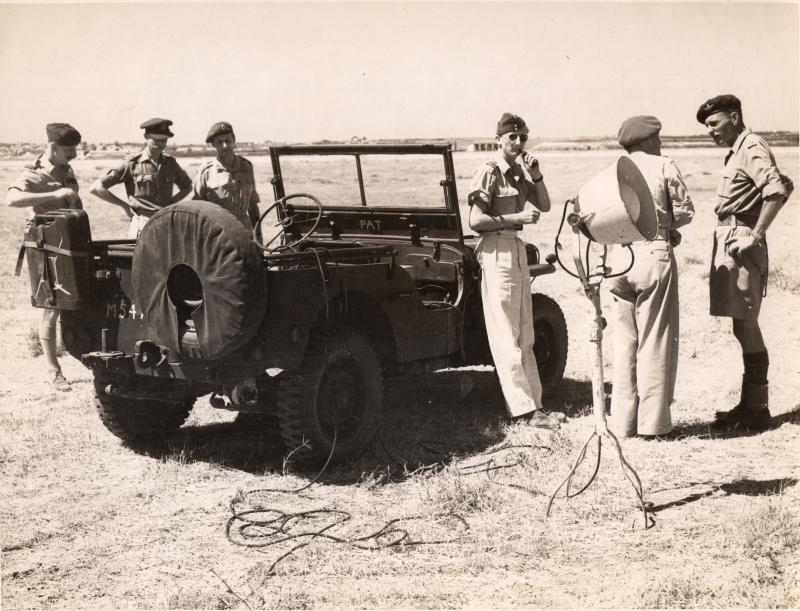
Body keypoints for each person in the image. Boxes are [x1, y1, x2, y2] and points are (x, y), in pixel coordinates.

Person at [697, 94, 793, 430]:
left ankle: (759, 411)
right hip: (732, 237)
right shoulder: (739, 149)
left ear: (734, 117)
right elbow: (787, 184)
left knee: (747, 325)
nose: (710, 131)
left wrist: (755, 233)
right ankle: (749, 405)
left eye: (714, 123)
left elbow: (778, 189)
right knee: (741, 324)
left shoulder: (750, 145)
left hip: (740, 240)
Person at [467, 112, 564, 428]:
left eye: (523, 137)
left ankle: (535, 405)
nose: (519, 143)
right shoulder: (490, 172)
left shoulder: (519, 173)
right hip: (496, 249)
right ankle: (522, 410)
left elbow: (546, 205)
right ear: (499, 139)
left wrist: (535, 175)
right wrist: (514, 218)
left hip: (515, 249)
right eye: (513, 137)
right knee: (507, 332)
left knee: (525, 330)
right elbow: (475, 221)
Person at [607, 116, 695, 439]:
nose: (660, 143)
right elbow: (686, 211)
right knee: (655, 339)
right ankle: (654, 425)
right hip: (653, 254)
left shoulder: (613, 169)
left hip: (618, 258)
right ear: (646, 140)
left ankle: (623, 423)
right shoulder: (662, 165)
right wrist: (669, 228)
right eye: (656, 138)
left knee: (624, 343)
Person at [6, 123, 83, 391]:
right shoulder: (33, 173)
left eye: (75, 148)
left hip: (70, 244)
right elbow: (11, 200)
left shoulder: (67, 170)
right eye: (68, 149)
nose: (73, 153)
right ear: (52, 146)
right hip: (46, 248)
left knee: (77, 301)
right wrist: (54, 193)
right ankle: (53, 371)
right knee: (52, 307)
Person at [90, 118, 192, 238]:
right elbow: (96, 188)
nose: (161, 144)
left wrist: (171, 204)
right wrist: (125, 206)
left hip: (166, 223)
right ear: (146, 137)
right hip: (142, 224)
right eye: (157, 140)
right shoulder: (132, 163)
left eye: (164, 140)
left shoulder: (170, 163)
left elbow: (187, 187)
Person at [192, 121, 261, 230]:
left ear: (233, 140)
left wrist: (258, 237)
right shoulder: (205, 173)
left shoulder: (246, 167)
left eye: (228, 140)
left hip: (245, 233)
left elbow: (253, 206)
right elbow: (197, 211)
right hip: (218, 234)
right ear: (213, 144)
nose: (225, 146)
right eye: (219, 142)